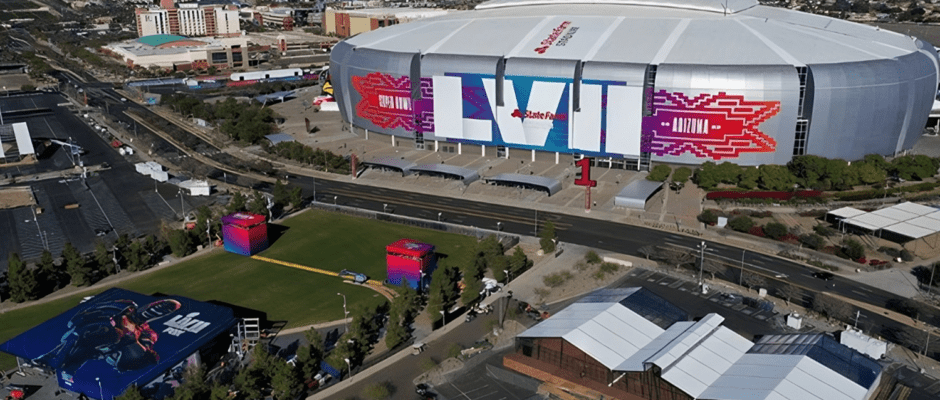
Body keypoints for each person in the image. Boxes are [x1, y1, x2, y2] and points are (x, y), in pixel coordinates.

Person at [33, 298, 182, 384]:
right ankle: (53, 360)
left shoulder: (144, 333)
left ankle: (60, 365)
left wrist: (135, 340)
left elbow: (146, 342)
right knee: (79, 344)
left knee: (85, 349)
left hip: (111, 344)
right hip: (98, 330)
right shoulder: (124, 310)